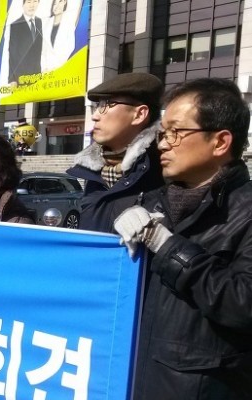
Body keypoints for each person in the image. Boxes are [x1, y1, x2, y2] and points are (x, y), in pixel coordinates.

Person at [113, 78, 252, 399]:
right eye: (162, 134)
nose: (162, 145)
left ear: (220, 142)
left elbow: (244, 305)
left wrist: (167, 247)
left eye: (175, 132)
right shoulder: (149, 202)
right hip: (133, 383)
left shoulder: (246, 212)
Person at [66, 72, 165, 232]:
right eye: (97, 106)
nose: (95, 116)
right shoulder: (93, 172)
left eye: (107, 104)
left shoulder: (165, 170)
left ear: (139, 114)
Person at [8, 0, 43, 83]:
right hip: (22, 78)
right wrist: (12, 79)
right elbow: (12, 53)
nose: (32, 5)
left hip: (37, 76)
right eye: (29, 2)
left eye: (35, 1)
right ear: (23, 5)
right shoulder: (15, 25)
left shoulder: (39, 21)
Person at [41, 0, 77, 72]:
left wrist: (58, 66)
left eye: (60, 2)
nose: (57, 6)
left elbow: (70, 47)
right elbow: (42, 50)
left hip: (61, 69)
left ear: (64, 2)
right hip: (46, 71)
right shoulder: (46, 24)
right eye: (55, 4)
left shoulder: (69, 23)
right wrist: (44, 68)